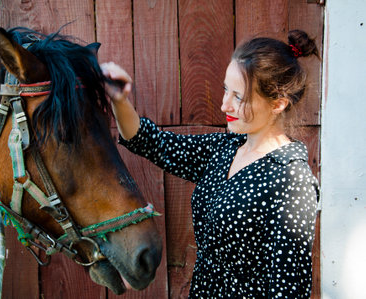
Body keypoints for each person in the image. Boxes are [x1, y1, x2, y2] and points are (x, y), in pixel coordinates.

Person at [101, 29, 319, 298]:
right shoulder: (227, 147)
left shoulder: (292, 183)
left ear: (278, 104)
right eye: (226, 90)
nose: (224, 106)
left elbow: (289, 291)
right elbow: (150, 142)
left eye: (239, 97)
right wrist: (118, 99)